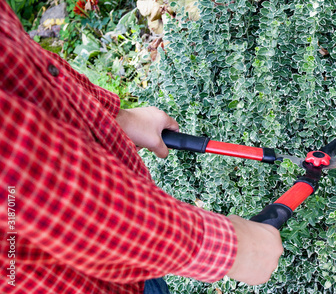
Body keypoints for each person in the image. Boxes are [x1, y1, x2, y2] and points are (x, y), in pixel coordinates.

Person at [0, 1, 283, 293]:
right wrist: (233, 248)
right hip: (85, 274)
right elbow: (41, 191)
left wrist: (116, 117)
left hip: (136, 254)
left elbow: (25, 66)